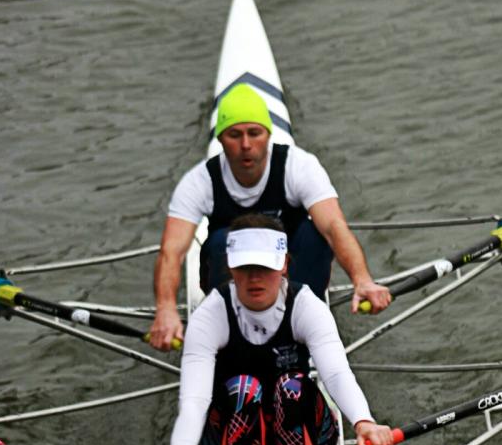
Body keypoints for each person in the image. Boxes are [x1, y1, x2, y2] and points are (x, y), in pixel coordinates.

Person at [147, 214, 394, 445]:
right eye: (245, 268)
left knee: (291, 386)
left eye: (264, 267)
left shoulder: (306, 305)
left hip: (303, 441)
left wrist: (363, 421)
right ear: (230, 268)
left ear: (285, 265)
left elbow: (335, 373)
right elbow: (194, 401)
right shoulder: (211, 314)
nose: (254, 278)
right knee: (243, 388)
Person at [149, 82, 391, 349]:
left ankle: (304, 324)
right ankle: (232, 331)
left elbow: (334, 228)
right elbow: (171, 252)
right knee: (220, 243)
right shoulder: (199, 182)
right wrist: (166, 308)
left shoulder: (299, 167)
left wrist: (363, 280)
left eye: (254, 133)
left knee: (315, 235)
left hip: (290, 273)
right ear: (220, 140)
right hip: (236, 282)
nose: (245, 145)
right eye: (234, 135)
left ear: (268, 135)